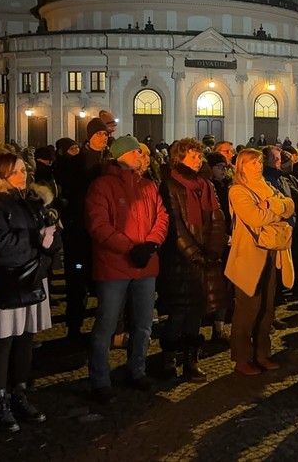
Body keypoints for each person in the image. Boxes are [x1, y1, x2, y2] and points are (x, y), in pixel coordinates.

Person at [0, 153, 61, 432]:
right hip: (7, 279)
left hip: (32, 275)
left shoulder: (29, 201)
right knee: (4, 341)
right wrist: (38, 240)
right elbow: (2, 245)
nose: (24, 175)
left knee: (26, 337)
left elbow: (53, 239)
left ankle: (19, 393)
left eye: (24, 169)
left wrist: (49, 239)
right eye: (17, 171)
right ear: (0, 174)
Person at [85, 136, 168, 403]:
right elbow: (99, 226)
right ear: (125, 155)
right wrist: (131, 248)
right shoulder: (102, 186)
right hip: (115, 266)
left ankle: (137, 369)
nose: (145, 158)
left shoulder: (149, 185)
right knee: (106, 325)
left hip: (145, 264)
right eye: (139, 154)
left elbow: (161, 216)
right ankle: (99, 380)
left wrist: (152, 243)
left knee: (144, 324)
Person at [157, 139, 228, 382]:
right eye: (193, 157)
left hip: (206, 257)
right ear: (179, 158)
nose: (198, 161)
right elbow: (175, 225)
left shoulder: (206, 185)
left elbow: (217, 217)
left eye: (199, 156)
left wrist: (214, 249)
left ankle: (191, 359)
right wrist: (194, 253)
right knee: (179, 312)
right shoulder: (170, 185)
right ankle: (169, 358)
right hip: (181, 260)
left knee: (197, 310)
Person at [225, 148, 295, 376]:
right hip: (249, 255)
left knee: (267, 308)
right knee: (247, 309)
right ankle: (242, 357)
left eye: (258, 162)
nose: (258, 166)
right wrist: (278, 209)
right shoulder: (238, 190)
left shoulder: (267, 186)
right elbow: (255, 217)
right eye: (252, 163)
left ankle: (262, 353)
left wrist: (272, 207)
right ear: (241, 167)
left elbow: (290, 205)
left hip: (272, 252)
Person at [61, 120, 109, 339]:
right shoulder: (76, 162)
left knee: (103, 281)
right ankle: (74, 325)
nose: (103, 137)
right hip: (80, 230)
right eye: (98, 133)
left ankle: (105, 324)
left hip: (105, 230)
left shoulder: (111, 160)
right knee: (77, 278)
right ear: (90, 136)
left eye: (105, 133)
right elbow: (71, 192)